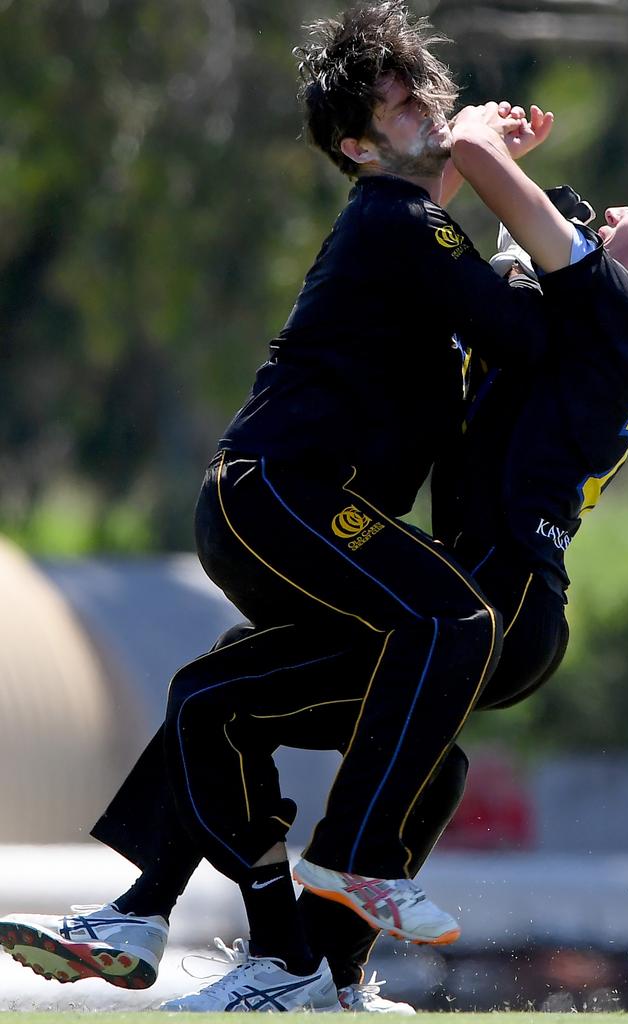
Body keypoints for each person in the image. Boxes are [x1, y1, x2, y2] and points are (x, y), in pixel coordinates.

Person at [0, 2, 551, 1013]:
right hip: (283, 497)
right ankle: (349, 866)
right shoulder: (403, 218)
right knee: (455, 621)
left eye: (425, 90)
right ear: (357, 144)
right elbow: (522, 331)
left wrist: (486, 179)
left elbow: (483, 320)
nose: (423, 109)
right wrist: (496, 179)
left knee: (233, 697)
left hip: (288, 513)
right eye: (396, 105)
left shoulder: (424, 232)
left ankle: (163, 914)